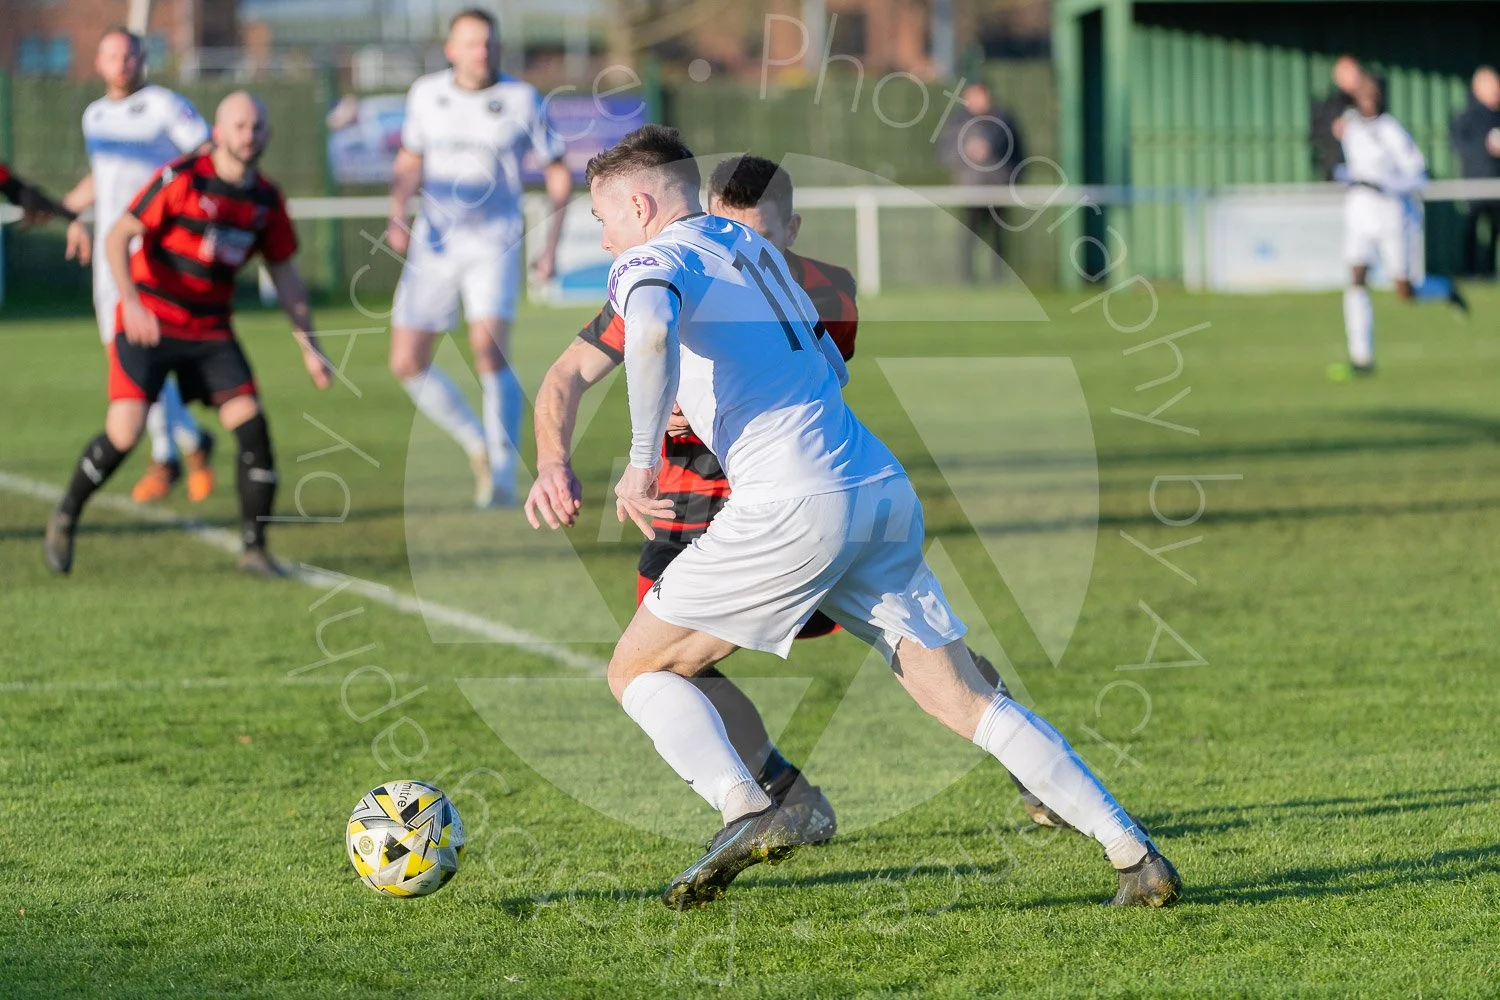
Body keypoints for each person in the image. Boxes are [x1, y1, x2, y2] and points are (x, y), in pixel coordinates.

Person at [527, 125, 1178, 910]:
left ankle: (749, 807)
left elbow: (654, 330)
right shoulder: (755, 249)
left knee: (637, 670)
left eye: (602, 218)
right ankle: (1133, 853)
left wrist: (639, 461)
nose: (603, 238)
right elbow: (827, 364)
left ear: (638, 206)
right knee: (966, 700)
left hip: (789, 503)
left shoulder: (647, 259)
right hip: (873, 482)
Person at [45, 92, 332, 577]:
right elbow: (117, 235)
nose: (249, 136)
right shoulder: (181, 178)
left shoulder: (265, 200)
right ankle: (66, 515)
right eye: (239, 126)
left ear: (267, 134)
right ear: (217, 132)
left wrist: (310, 346)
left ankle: (254, 550)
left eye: (257, 127)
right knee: (125, 432)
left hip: (210, 329)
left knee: (253, 428)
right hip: (151, 320)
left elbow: (285, 274)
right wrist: (131, 302)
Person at [384, 7, 573, 508]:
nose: (481, 52)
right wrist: (397, 214)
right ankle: (478, 445)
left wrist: (550, 245)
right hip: (434, 245)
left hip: (494, 243)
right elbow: (409, 159)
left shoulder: (521, 98)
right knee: (406, 361)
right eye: (471, 43)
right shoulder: (426, 94)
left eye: (488, 42)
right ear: (451, 50)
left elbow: (558, 173)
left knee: (489, 351)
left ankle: (503, 476)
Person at [61, 27, 216, 505]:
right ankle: (190, 441)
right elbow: (104, 177)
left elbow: (206, 154)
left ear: (141, 59)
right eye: (112, 56)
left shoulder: (165, 106)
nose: (121, 64)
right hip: (110, 257)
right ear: (99, 62)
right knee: (128, 361)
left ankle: (167, 456)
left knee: (142, 358)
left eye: (128, 56)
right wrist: (66, 213)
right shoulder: (95, 116)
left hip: (155, 254)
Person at [1334, 78, 1465, 380]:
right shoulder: (1350, 125)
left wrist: (1391, 184)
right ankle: (1362, 357)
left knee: (1404, 291)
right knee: (1356, 276)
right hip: (1359, 210)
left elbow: (1419, 173)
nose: (1369, 97)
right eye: (1364, 92)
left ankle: (1445, 289)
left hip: (1391, 213)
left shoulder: (1391, 130)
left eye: (1374, 92)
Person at [936, 80, 1025, 283]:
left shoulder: (1004, 119)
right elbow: (945, 153)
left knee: (999, 236)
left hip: (999, 189)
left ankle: (999, 277)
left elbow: (1018, 153)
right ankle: (968, 277)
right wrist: (967, 153)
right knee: (970, 234)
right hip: (971, 190)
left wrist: (1012, 178)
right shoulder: (957, 121)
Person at [1450, 67, 1500, 279]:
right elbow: (1460, 147)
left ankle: (1489, 270)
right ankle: (1468, 270)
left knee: (1495, 227)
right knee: (1472, 224)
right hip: (1475, 181)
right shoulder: (1465, 117)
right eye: (1492, 85)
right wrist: (1486, 147)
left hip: (1497, 182)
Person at [1310, 55, 1369, 181]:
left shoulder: (1370, 106)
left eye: (1355, 74)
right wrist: (1334, 130)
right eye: (1347, 74)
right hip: (1338, 173)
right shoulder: (1328, 107)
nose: (1353, 79)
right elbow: (1316, 136)